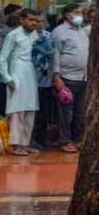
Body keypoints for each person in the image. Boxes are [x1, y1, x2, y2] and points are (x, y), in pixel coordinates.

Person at [0, 9, 42, 156]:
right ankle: (15, 145)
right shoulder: (13, 35)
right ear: (22, 20)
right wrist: (7, 78)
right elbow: (2, 58)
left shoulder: (35, 35)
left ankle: (25, 143)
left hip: (31, 75)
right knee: (17, 111)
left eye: (36, 21)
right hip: (16, 75)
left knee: (30, 110)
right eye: (31, 20)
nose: (34, 23)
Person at [52, 4, 90, 153]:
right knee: (65, 113)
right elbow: (54, 55)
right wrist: (56, 76)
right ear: (68, 15)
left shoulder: (82, 31)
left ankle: (76, 139)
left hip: (83, 77)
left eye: (81, 12)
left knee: (79, 112)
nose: (81, 15)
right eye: (77, 12)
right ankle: (64, 141)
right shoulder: (59, 32)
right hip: (66, 78)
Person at [31, 14, 56, 150]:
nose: (40, 23)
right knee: (32, 112)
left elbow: (53, 55)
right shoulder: (29, 36)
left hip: (46, 80)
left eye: (42, 21)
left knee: (44, 113)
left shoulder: (49, 35)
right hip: (32, 79)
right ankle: (32, 139)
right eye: (37, 21)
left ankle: (42, 140)